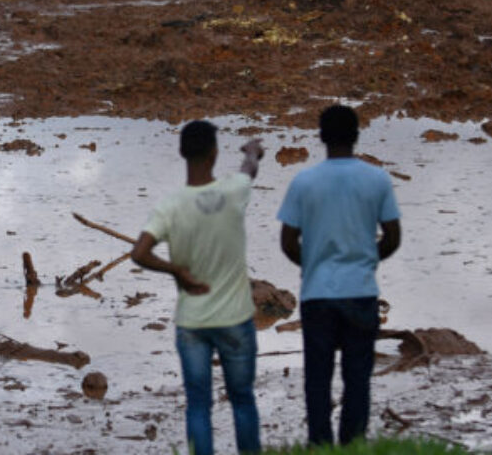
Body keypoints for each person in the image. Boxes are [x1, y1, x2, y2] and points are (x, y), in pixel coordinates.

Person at [131, 120, 266, 455]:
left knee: (197, 406)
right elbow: (249, 169)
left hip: (192, 323)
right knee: (243, 400)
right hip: (235, 319)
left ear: (182, 153)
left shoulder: (170, 206)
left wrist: (175, 269)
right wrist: (252, 150)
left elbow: (140, 253)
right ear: (215, 152)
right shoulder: (234, 190)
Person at [277, 105, 401, 446]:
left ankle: (319, 445)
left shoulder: (304, 182)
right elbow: (393, 237)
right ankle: (353, 445)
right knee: (358, 377)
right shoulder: (376, 179)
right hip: (360, 292)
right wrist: (366, 261)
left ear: (320, 137)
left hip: (317, 295)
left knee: (317, 378)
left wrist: (312, 263)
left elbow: (288, 242)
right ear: (357, 136)